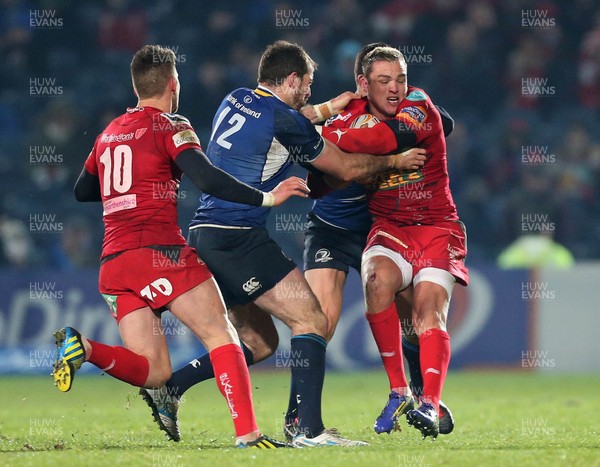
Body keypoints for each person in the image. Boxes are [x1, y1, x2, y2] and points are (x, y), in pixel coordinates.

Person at [144, 40, 425, 447]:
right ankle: (306, 429)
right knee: (311, 319)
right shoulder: (282, 117)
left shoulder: (238, 98)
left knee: (260, 342)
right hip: (239, 237)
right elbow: (343, 166)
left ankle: (170, 387)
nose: (309, 92)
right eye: (307, 84)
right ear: (292, 80)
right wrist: (395, 161)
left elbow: (287, 123)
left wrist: (330, 107)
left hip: (205, 234)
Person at [51, 44, 309, 449]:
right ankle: (249, 435)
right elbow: (207, 178)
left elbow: (83, 189)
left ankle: (84, 348)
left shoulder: (110, 131)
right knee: (221, 334)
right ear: (173, 84)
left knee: (154, 372)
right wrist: (268, 198)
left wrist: (129, 189)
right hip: (161, 253)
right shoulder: (170, 125)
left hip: (114, 264)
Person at [299, 42, 455, 437]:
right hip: (380, 226)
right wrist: (327, 143)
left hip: (435, 225)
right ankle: (393, 392)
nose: (395, 88)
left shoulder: (417, 104)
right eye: (384, 80)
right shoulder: (348, 115)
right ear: (363, 85)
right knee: (341, 306)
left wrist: (318, 133)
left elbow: (389, 138)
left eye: (400, 78)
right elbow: (317, 183)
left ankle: (428, 400)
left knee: (420, 317)